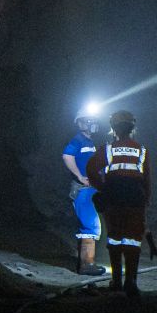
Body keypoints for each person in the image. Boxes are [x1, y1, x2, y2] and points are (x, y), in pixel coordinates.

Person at [86, 110, 152, 298]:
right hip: (135, 198)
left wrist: (102, 188)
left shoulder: (108, 149)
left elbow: (91, 169)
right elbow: (147, 179)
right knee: (133, 240)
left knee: (115, 238)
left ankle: (116, 281)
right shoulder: (141, 150)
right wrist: (146, 200)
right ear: (132, 128)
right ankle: (131, 282)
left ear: (113, 128)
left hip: (114, 197)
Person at [63, 105, 105, 276]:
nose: (93, 123)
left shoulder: (89, 142)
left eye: (94, 120)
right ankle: (87, 265)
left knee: (90, 225)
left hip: (89, 190)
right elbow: (67, 156)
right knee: (90, 226)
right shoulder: (78, 140)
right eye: (89, 120)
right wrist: (80, 176)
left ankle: (85, 263)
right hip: (82, 190)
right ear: (80, 123)